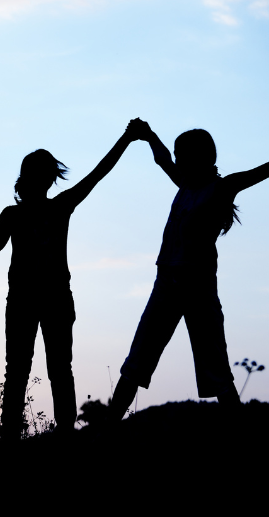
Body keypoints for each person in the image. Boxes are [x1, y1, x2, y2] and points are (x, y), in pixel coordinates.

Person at [0, 122, 140, 440]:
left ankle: (50, 432)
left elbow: (98, 173)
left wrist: (126, 138)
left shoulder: (48, 208)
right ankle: (36, 433)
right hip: (32, 299)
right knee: (39, 369)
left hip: (45, 298)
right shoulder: (24, 213)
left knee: (37, 369)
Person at [108, 121, 269, 420]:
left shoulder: (220, 188)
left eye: (183, 156)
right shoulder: (184, 185)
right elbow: (163, 159)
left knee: (217, 370)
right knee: (137, 361)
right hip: (166, 283)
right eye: (177, 156)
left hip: (197, 287)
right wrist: (147, 134)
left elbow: (261, 172)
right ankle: (104, 430)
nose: (177, 161)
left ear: (200, 158)